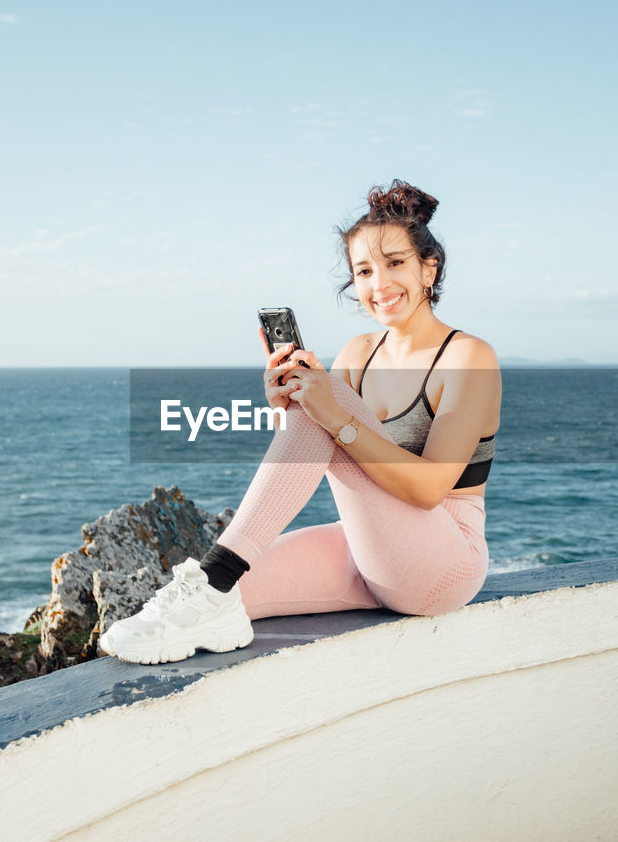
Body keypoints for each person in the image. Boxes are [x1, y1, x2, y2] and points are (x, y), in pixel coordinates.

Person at [98, 180, 502, 665]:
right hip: (371, 549)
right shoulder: (358, 353)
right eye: (365, 271)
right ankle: (203, 596)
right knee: (230, 593)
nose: (379, 285)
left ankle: (214, 576)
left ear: (428, 267)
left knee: (324, 399)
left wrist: (332, 414)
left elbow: (429, 490)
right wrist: (283, 403)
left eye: (395, 263)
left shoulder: (467, 357)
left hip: (443, 562)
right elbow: (311, 451)